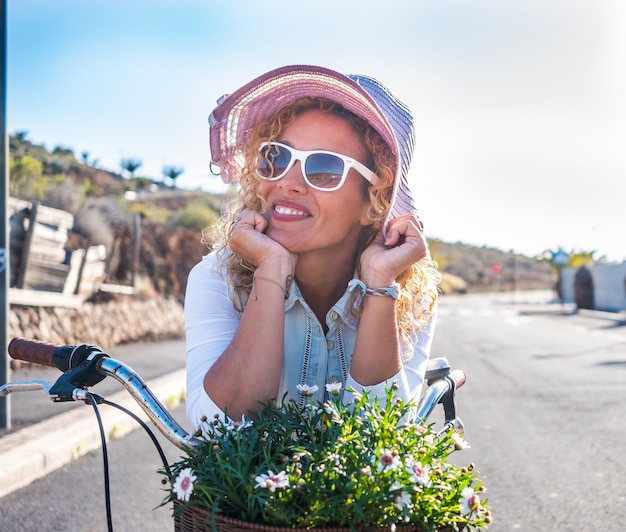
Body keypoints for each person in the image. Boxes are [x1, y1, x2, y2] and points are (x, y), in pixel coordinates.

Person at [185, 65, 441, 424]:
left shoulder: (406, 294)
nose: (288, 182)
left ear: (374, 202)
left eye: (324, 168)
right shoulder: (216, 279)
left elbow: (385, 442)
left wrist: (380, 284)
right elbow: (214, 432)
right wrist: (271, 272)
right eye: (276, 157)